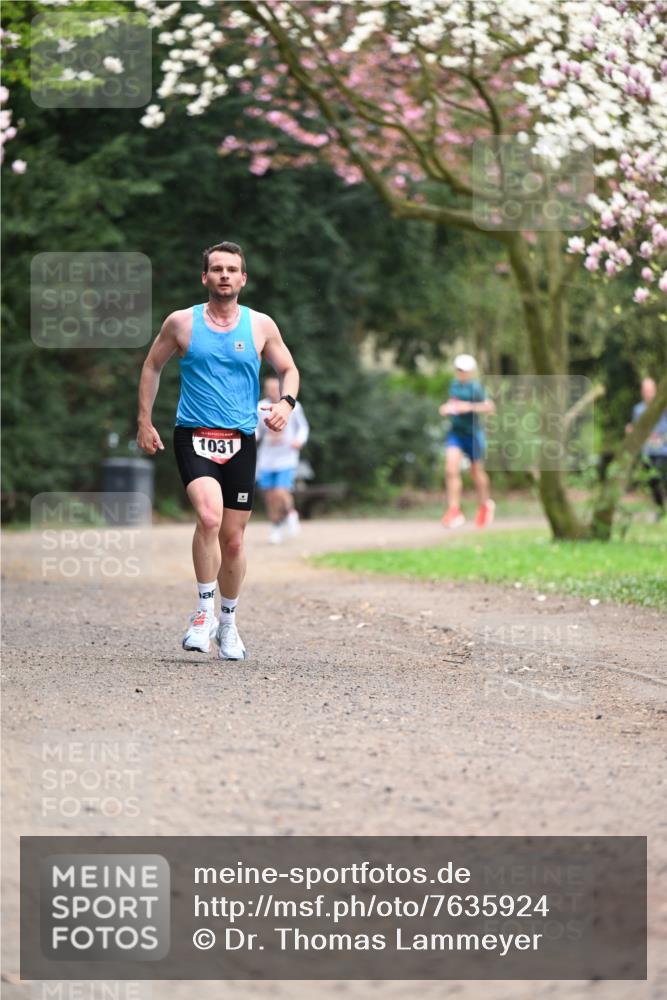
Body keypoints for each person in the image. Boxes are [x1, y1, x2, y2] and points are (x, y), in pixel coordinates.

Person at [136, 241, 300, 660]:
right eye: (217, 269)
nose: (224, 275)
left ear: (243, 279)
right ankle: (203, 613)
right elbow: (153, 365)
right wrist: (144, 420)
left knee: (233, 541)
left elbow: (288, 369)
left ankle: (228, 624)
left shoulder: (261, 325)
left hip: (241, 439)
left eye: (232, 269)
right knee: (208, 516)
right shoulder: (181, 323)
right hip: (193, 434)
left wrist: (286, 403)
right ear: (204, 277)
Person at [439, 353, 496, 529]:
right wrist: (447, 408)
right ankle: (454, 510)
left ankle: (485, 505)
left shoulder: (476, 388)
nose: (461, 373)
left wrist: (469, 407)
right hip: (455, 433)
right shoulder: (453, 385)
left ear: (470, 372)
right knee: (450, 469)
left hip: (473, 434)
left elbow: (490, 407)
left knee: (476, 472)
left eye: (465, 370)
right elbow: (453, 403)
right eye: (459, 370)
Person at [256, 376, 310, 544]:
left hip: (287, 457)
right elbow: (256, 429)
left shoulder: (293, 406)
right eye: (268, 388)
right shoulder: (260, 407)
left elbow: (303, 427)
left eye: (274, 388)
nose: (271, 391)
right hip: (266, 458)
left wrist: (299, 441)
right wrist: (253, 438)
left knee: (280, 492)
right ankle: (276, 527)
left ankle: (291, 512)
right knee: (270, 497)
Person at [625, 376, 667, 520]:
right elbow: (635, 429)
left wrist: (662, 438)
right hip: (647, 451)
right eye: (645, 390)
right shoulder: (638, 410)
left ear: (655, 391)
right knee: (652, 481)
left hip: (662, 451)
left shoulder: (662, 407)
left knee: (660, 477)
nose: (648, 393)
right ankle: (660, 509)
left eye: (650, 390)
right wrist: (630, 430)